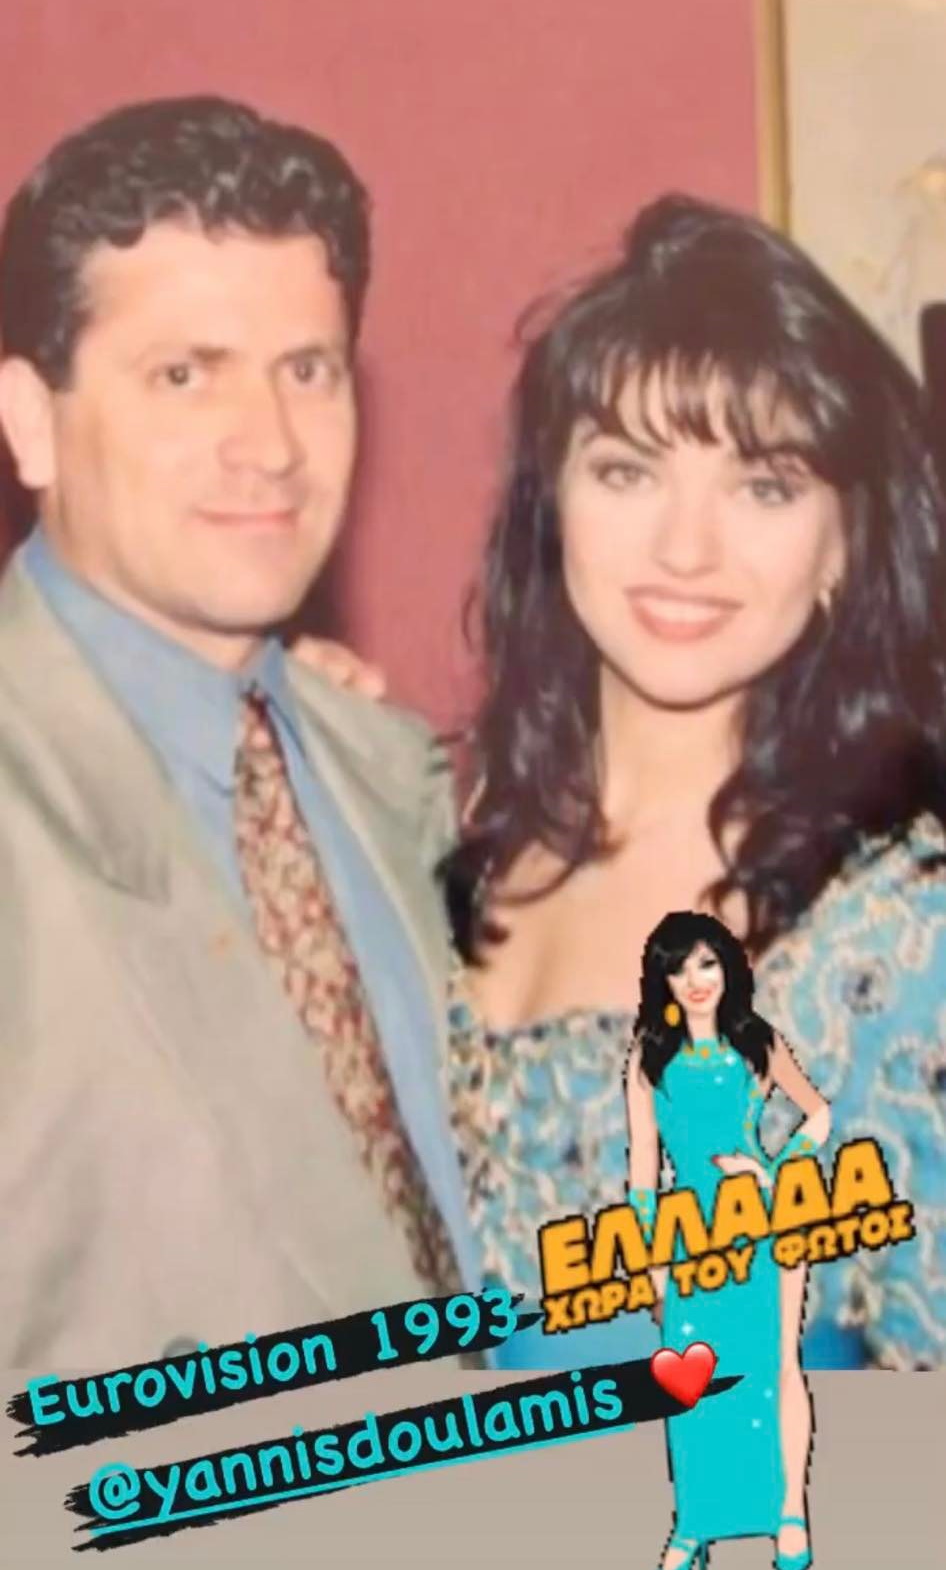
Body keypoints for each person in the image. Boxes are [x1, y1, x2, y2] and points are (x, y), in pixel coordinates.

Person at [0, 95, 479, 1368]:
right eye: (185, 374)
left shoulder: (396, 773)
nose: (268, 444)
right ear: (32, 421)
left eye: (305, 371)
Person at [431, 194, 946, 1373]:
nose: (684, 548)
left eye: (764, 486)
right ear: (552, 507)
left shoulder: (901, 929)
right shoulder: (440, 837)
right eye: (627, 471)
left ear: (844, 540)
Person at [625, 911, 828, 1570]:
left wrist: (775, 1171)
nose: (696, 980)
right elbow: (643, 1171)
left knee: (778, 1363)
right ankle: (695, 1523)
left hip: (767, 1223)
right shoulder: (650, 1059)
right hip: (689, 1236)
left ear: (727, 968)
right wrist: (651, 1263)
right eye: (680, 969)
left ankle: (790, 1512)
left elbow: (818, 1113)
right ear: (663, 981)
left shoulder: (756, 1041)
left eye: (707, 963)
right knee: (689, 1376)